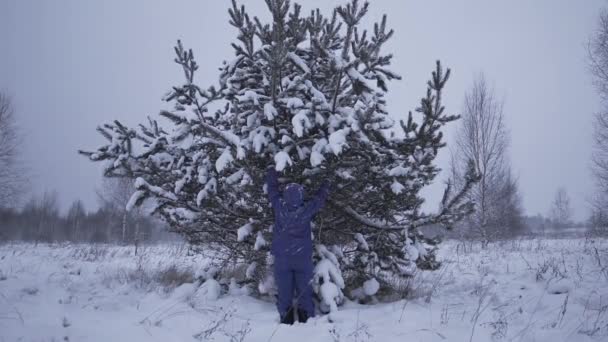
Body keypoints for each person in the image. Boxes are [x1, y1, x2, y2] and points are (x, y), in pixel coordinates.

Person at [265, 167, 330, 325]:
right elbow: (319, 199)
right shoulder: (306, 210)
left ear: (285, 196)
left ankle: (285, 320)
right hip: (302, 259)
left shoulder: (280, 208)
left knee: (284, 293)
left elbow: (272, 191)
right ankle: (306, 319)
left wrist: (272, 170)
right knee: (304, 293)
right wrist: (327, 182)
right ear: (301, 196)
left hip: (283, 259)